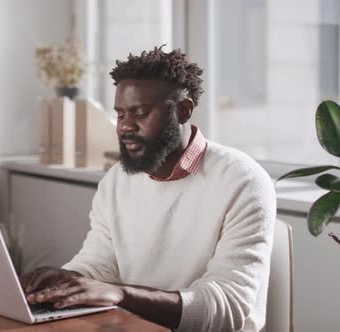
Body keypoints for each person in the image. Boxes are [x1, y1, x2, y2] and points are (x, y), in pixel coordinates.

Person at [20, 46, 276, 331]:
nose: (125, 128)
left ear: (183, 110)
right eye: (120, 114)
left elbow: (228, 307)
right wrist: (64, 280)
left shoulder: (243, 181)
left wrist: (121, 293)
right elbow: (99, 264)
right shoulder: (117, 180)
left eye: (140, 113)